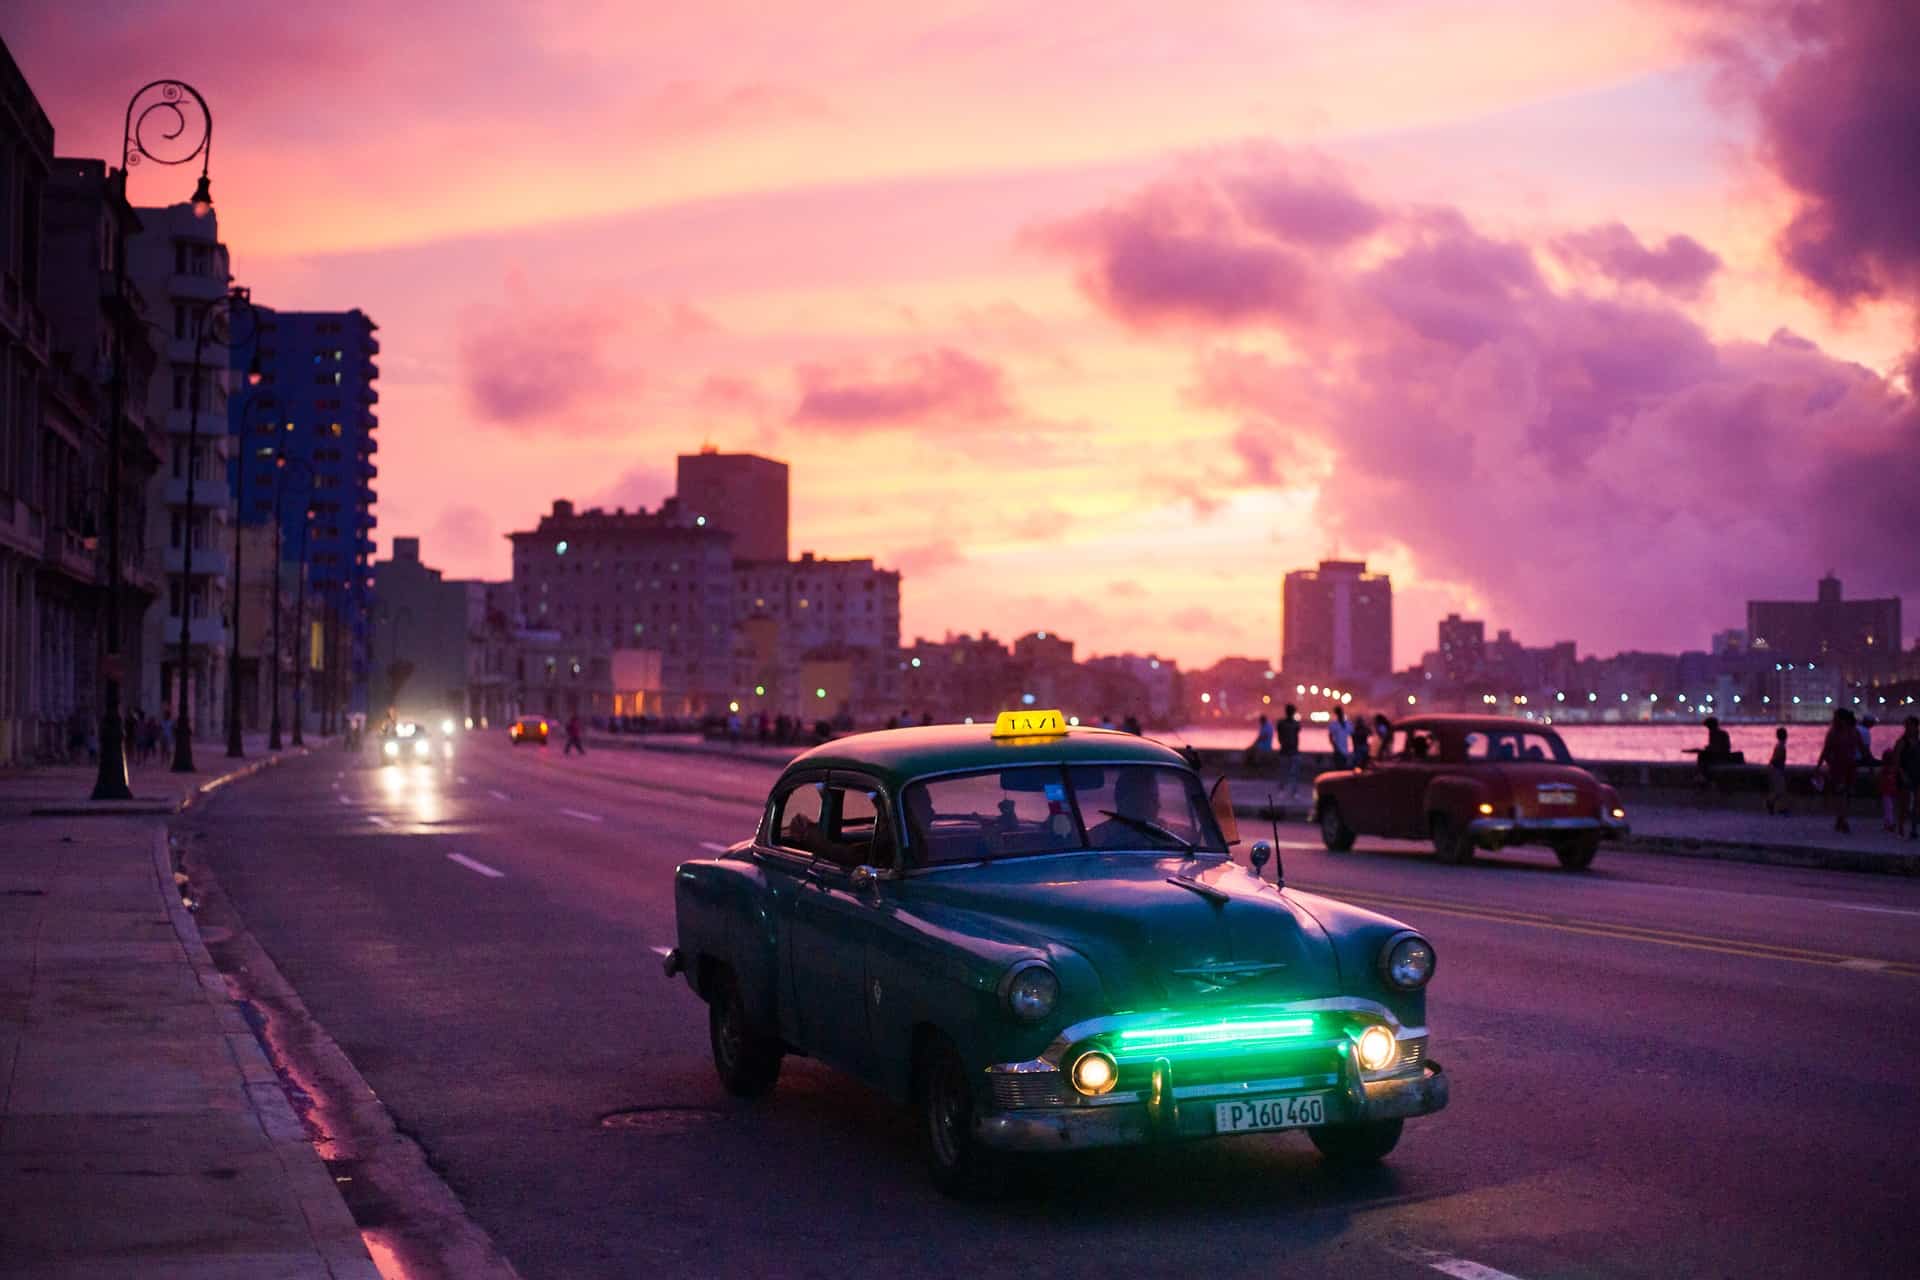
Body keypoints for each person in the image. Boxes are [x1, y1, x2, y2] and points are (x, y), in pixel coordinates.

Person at [1816, 708, 1858, 834]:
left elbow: (1826, 750)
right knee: (1842, 794)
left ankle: (1841, 819)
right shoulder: (1845, 732)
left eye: (1836, 717)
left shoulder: (1843, 732)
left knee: (1844, 794)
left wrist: (1819, 766)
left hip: (1845, 767)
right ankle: (1842, 819)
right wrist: (1819, 765)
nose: (1834, 720)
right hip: (1839, 767)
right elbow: (1826, 750)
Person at [1898, 717, 1920, 840]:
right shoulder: (1902, 742)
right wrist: (1902, 775)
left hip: (1917, 775)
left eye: (1911, 726)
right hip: (1906, 776)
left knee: (1917, 805)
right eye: (1907, 726)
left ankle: (1913, 829)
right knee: (1904, 805)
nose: (1909, 728)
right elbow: (1897, 761)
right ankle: (1901, 827)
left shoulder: (1918, 742)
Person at [1277, 703, 1303, 796]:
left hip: (1290, 751)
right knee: (1289, 773)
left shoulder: (1283, 723)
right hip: (1289, 751)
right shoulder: (1294, 724)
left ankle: (1288, 791)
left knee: (1290, 773)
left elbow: (1280, 736)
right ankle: (1288, 791)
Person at [1766, 727, 1790, 817]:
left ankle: (1775, 805)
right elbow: (1776, 758)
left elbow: (1774, 758)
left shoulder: (1779, 745)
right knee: (1781, 790)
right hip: (1778, 770)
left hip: (1777, 770)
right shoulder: (1781, 746)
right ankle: (1775, 805)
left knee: (1780, 790)